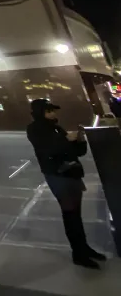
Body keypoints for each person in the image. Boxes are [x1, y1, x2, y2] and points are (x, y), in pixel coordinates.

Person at [26, 99, 106, 268]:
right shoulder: (34, 129)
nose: (53, 114)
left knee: (76, 215)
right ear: (40, 112)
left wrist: (80, 138)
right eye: (49, 111)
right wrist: (67, 140)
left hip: (72, 173)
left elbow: (78, 152)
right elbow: (48, 150)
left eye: (53, 111)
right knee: (70, 215)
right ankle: (78, 254)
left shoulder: (56, 128)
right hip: (57, 175)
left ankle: (84, 248)